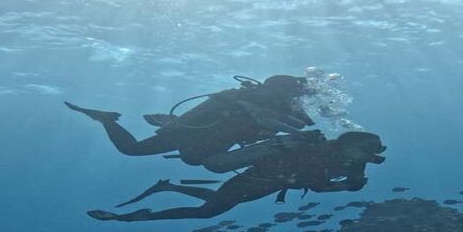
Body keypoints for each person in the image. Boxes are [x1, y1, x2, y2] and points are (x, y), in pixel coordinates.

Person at [88, 131, 386, 222]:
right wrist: (346, 186)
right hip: (251, 182)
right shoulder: (318, 156)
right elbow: (319, 187)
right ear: (349, 145)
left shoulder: (351, 160)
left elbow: (346, 183)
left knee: (223, 201)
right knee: (208, 213)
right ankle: (128, 217)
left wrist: (352, 181)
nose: (370, 155)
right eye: (367, 150)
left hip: (263, 186)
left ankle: (170, 187)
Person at [66, 75, 315, 173]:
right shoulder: (256, 100)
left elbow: (297, 123)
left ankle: (106, 120)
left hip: (194, 133)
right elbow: (274, 121)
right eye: (296, 94)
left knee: (132, 149)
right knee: (203, 162)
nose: (298, 99)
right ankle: (106, 120)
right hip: (195, 136)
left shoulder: (257, 98)